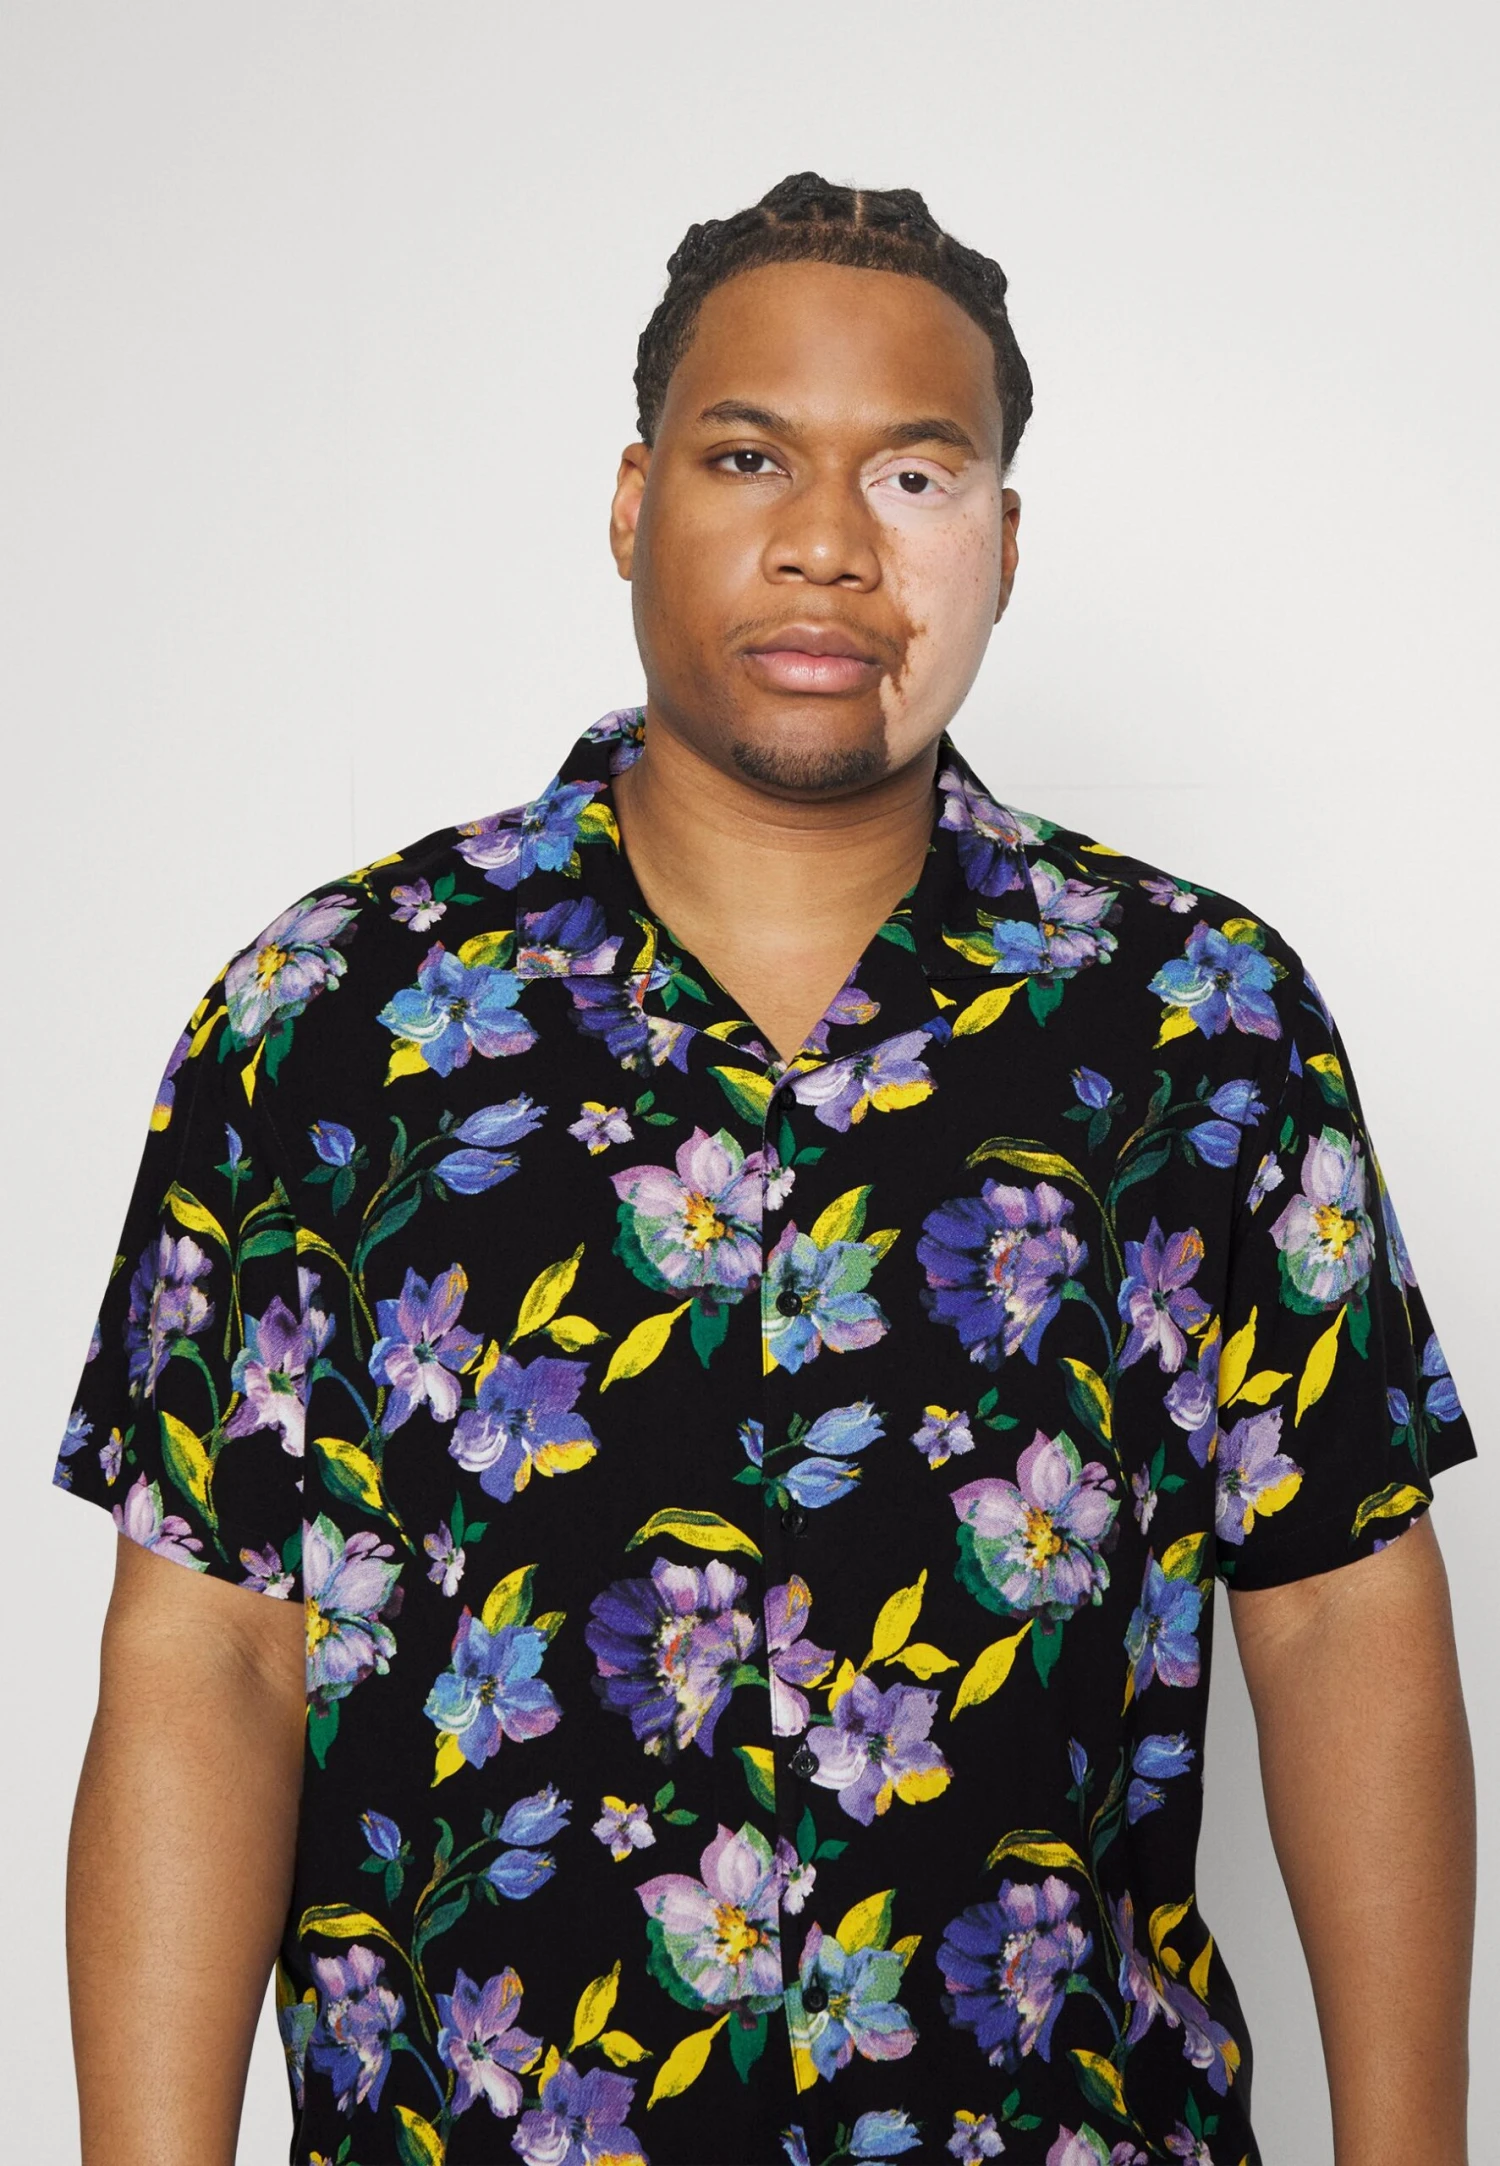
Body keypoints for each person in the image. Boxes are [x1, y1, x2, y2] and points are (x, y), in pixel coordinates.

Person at [57, 174, 1476, 2166]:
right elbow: (210, 1646)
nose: (828, 541)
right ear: (633, 503)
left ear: (1003, 543)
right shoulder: (330, 1021)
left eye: (914, 475)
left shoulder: (1202, 1021)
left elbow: (1337, 1613)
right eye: (750, 459)